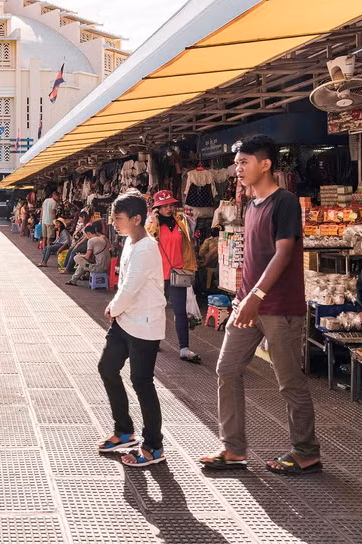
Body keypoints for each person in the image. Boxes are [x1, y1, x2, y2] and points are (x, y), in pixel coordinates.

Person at [200, 135, 321, 475]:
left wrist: (256, 297)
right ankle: (234, 449)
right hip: (248, 304)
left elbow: (283, 254)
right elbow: (253, 259)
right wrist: (242, 297)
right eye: (237, 163)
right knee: (227, 368)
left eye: (244, 162)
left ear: (265, 164)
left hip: (279, 307)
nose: (237, 169)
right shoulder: (251, 204)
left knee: (288, 381)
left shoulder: (284, 202)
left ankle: (306, 451)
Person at [98, 193, 167, 466]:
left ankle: (154, 446)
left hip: (145, 326)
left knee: (142, 382)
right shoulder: (129, 241)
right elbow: (126, 284)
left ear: (137, 219)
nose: (113, 222)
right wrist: (117, 310)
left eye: (118, 218)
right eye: (113, 217)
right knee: (107, 367)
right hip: (124, 322)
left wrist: (112, 308)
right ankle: (124, 430)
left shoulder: (147, 248)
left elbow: (130, 287)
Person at [148, 190, 201, 363]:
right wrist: (154, 222)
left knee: (180, 311)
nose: (169, 209)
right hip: (157, 274)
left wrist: (190, 267)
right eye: (164, 206)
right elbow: (147, 242)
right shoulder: (153, 226)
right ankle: (152, 342)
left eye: (171, 205)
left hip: (177, 273)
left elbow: (188, 245)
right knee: (156, 310)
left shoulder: (180, 223)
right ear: (157, 208)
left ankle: (184, 348)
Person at [66, 221, 109, 287]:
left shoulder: (91, 241)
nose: (85, 237)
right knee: (83, 263)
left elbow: (87, 257)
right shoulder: (102, 238)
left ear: (88, 233)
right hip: (107, 266)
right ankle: (73, 280)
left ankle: (74, 279)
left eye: (85, 235)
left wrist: (81, 255)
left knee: (76, 258)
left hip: (99, 267)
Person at [60, 209, 91, 274]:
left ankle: (68, 268)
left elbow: (86, 237)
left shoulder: (88, 225)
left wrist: (78, 243)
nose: (79, 220)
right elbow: (83, 236)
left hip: (88, 243)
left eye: (80, 218)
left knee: (74, 251)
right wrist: (78, 242)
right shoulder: (84, 225)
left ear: (84, 217)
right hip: (84, 241)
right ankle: (66, 266)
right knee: (71, 249)